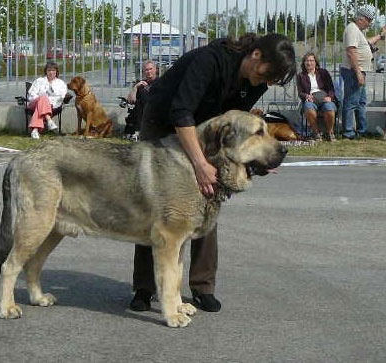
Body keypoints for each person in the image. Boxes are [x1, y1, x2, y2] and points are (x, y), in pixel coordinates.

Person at [130, 33, 296, 312]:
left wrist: (250, 162)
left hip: (209, 131)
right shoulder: (211, 60)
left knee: (210, 196)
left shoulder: (255, 82)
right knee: (160, 207)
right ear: (256, 56)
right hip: (166, 120)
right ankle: (145, 289)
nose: (268, 83)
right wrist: (199, 164)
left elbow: (235, 131)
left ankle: (202, 286)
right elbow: (181, 112)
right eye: (270, 74)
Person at [341, 5, 386, 140]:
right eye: (369, 20)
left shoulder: (357, 31)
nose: (370, 23)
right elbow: (351, 52)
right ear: (361, 18)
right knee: (351, 102)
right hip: (354, 71)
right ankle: (348, 133)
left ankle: (361, 130)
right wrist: (358, 73)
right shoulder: (352, 30)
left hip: (358, 71)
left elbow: (366, 43)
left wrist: (381, 36)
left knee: (360, 102)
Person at [297, 52, 337, 141]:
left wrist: (330, 97)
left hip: (324, 97)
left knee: (330, 108)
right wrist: (306, 96)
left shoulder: (323, 73)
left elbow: (331, 88)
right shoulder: (301, 76)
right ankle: (316, 133)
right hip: (311, 99)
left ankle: (330, 133)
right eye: (306, 61)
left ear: (315, 62)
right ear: (304, 63)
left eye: (311, 60)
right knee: (308, 107)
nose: (309, 63)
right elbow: (300, 92)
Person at [27, 61, 67, 139]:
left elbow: (61, 97)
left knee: (41, 104)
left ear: (56, 72)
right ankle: (49, 120)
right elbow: (31, 94)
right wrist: (42, 100)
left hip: (52, 105)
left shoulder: (61, 83)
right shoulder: (39, 81)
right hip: (34, 103)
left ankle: (35, 130)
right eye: (49, 70)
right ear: (46, 71)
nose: (51, 72)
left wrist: (47, 102)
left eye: (53, 70)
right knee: (43, 98)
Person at [125, 60, 158, 141]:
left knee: (143, 96)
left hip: (155, 112)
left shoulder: (161, 82)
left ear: (155, 70)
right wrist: (135, 87)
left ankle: (140, 131)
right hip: (141, 112)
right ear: (143, 72)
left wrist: (147, 89)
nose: (149, 71)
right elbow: (130, 100)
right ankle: (138, 130)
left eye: (150, 69)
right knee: (138, 101)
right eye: (146, 70)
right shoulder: (141, 83)